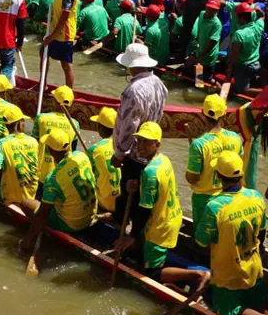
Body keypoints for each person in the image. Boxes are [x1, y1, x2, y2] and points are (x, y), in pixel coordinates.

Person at [196, 151, 268, 315]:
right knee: (258, 304)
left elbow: (201, 241)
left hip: (228, 275)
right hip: (254, 268)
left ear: (218, 176)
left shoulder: (215, 206)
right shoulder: (256, 197)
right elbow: (262, 234)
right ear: (240, 176)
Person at [112, 122, 208, 296]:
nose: (140, 146)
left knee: (152, 275)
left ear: (157, 144)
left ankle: (198, 274)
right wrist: (136, 185)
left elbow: (144, 210)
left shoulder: (149, 172)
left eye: (146, 142)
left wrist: (131, 237)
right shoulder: (163, 160)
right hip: (171, 217)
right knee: (141, 252)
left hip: (159, 226)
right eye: (139, 141)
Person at [19, 128, 97, 254]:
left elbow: (43, 214)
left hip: (71, 224)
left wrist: (26, 241)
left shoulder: (53, 178)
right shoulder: (82, 156)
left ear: (50, 150)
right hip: (90, 215)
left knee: (25, 203)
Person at [111, 42, 168, 212]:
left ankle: (123, 222)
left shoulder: (133, 91)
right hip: (151, 147)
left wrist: (119, 154)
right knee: (143, 191)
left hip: (134, 152)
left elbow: (130, 125)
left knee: (129, 192)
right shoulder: (159, 83)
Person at [186, 94, 243, 224]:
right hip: (229, 197)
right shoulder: (235, 138)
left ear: (202, 113)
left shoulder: (199, 145)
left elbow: (192, 178)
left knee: (203, 240)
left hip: (204, 200)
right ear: (223, 115)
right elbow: (239, 169)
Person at [0, 104, 38, 204]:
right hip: (31, 195)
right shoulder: (33, 141)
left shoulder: (2, 143)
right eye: (23, 120)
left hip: (9, 197)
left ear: (7, 126)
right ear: (20, 124)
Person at [43, 0, 79, 88]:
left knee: (66, 64)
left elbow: (64, 16)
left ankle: (69, 93)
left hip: (64, 32)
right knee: (43, 52)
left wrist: (51, 37)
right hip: (55, 28)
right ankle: (43, 85)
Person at [33, 85, 81, 182]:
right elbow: (73, 150)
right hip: (64, 175)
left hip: (42, 174)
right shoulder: (75, 124)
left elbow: (34, 143)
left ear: (54, 102)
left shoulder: (41, 118)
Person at [86, 107, 121, 215]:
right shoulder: (123, 147)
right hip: (122, 203)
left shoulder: (94, 149)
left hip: (105, 204)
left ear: (99, 128)